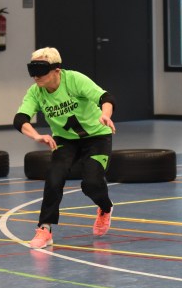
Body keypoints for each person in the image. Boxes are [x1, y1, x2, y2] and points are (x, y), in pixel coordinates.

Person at [14, 47, 116, 249]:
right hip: (65, 140)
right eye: (32, 70)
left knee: (91, 183)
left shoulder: (74, 80)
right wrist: (36, 135)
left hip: (96, 136)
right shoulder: (36, 92)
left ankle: (105, 208)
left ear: (56, 70)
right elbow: (20, 119)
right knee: (54, 178)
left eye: (41, 70)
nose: (36, 76)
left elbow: (106, 98)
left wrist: (105, 115)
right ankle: (45, 228)